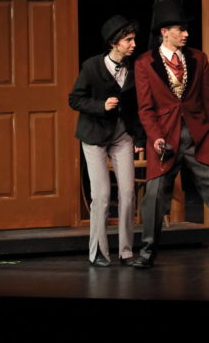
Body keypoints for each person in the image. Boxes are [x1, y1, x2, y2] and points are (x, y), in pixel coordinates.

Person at [132, 0, 209, 269]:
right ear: (164, 32)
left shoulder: (198, 58)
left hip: (199, 136)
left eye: (186, 29)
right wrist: (156, 137)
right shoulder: (145, 63)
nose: (186, 34)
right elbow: (145, 108)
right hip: (164, 138)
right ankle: (147, 251)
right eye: (180, 29)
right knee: (154, 196)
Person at [69, 15, 145, 267]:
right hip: (94, 136)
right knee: (101, 194)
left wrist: (139, 137)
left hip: (122, 135)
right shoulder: (92, 66)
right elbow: (75, 99)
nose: (133, 44)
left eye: (134, 39)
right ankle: (98, 252)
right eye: (128, 40)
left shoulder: (134, 68)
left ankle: (126, 251)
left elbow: (137, 107)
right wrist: (101, 105)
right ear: (114, 43)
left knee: (127, 193)